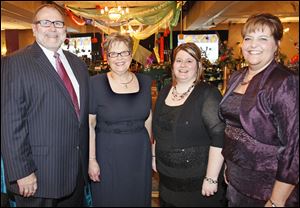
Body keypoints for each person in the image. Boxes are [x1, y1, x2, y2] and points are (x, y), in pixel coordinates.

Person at [1, 4, 90, 207]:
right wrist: (22, 172)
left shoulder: (78, 65)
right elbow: (10, 123)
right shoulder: (15, 63)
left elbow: (81, 119)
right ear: (34, 29)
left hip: (75, 173)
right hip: (39, 177)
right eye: (45, 22)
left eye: (58, 23)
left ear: (65, 30)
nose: (53, 28)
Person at [219, 13, 299, 207]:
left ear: (277, 44)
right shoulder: (237, 76)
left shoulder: (284, 81)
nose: (253, 45)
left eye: (263, 39)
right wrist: (229, 167)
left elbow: (294, 146)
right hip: (236, 183)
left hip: (266, 190)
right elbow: (231, 126)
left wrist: (276, 201)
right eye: (248, 38)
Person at [152, 42, 226, 207]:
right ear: (173, 65)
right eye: (179, 60)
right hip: (167, 181)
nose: (183, 65)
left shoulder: (208, 94)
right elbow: (158, 131)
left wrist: (211, 178)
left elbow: (219, 137)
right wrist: (154, 156)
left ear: (198, 65)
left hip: (198, 183)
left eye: (189, 61)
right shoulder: (165, 91)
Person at [88, 32, 152, 207]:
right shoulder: (95, 83)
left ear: (131, 54)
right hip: (108, 153)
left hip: (140, 153)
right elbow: (90, 125)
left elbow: (148, 120)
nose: (119, 58)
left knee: (137, 197)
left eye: (123, 52)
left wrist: (152, 153)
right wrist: (91, 160)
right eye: (113, 53)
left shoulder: (145, 82)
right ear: (106, 57)